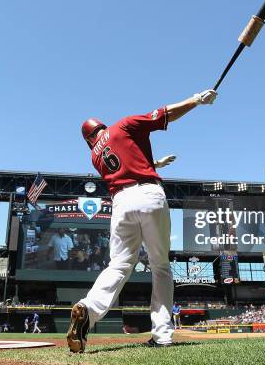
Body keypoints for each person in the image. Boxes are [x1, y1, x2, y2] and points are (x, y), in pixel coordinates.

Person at [66, 88, 217, 353]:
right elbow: (165, 114)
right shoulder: (123, 124)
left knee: (119, 265)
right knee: (160, 267)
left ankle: (88, 309)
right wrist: (196, 100)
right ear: (101, 125)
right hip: (148, 194)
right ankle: (162, 335)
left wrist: (155, 163)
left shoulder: (94, 155)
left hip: (121, 203)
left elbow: (127, 163)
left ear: (89, 139)